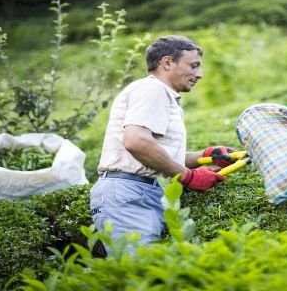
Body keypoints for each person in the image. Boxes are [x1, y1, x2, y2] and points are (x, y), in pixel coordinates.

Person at [90, 35, 236, 253]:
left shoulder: (161, 95)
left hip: (137, 191)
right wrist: (187, 175)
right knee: (140, 273)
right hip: (130, 192)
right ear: (167, 63)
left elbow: (153, 152)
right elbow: (136, 141)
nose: (200, 74)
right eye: (194, 66)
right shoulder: (152, 90)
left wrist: (203, 156)